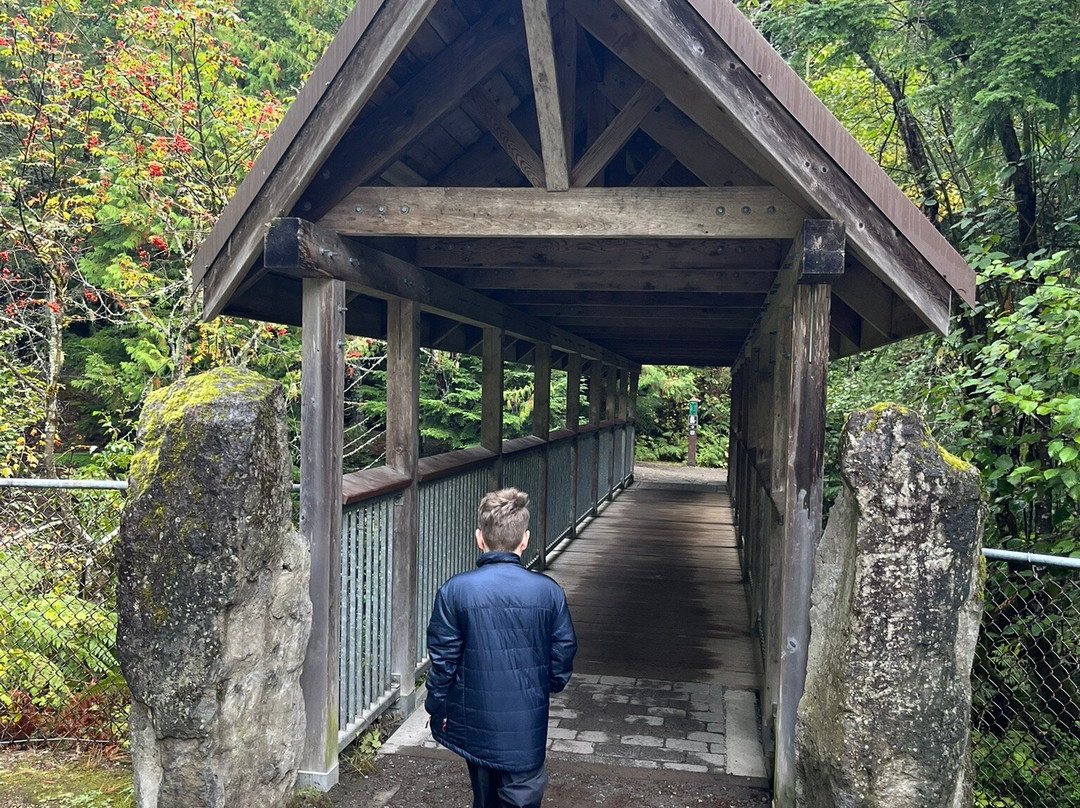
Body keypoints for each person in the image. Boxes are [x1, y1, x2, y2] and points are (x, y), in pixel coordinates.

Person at [425, 488, 577, 808]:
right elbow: (563, 650)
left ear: (480, 538)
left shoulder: (455, 590)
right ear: (525, 540)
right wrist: (544, 684)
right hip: (526, 724)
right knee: (522, 793)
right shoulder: (548, 592)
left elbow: (443, 660)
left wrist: (436, 706)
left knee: (484, 794)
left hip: (474, 721)